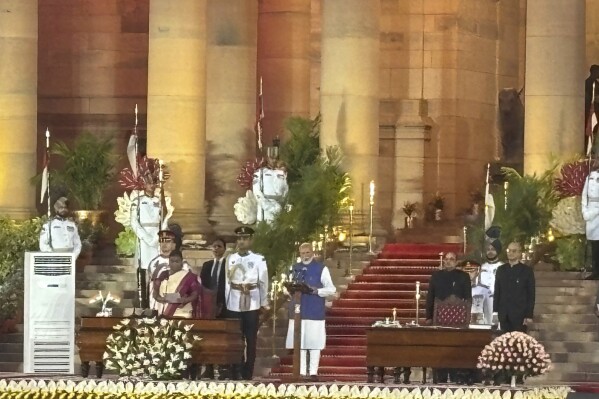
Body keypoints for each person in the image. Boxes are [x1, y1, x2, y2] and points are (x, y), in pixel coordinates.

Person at [285, 243, 336, 381]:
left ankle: (313, 372)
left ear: (312, 253)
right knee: (299, 342)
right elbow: (286, 287)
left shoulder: (321, 269)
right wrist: (288, 290)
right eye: (303, 253)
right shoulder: (294, 268)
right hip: (298, 310)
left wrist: (316, 290)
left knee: (314, 342)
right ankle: (300, 371)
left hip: (314, 310)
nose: (305, 255)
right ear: (299, 254)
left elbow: (331, 289)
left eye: (308, 252)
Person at [225, 226, 269, 380]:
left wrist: (264, 302)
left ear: (251, 240)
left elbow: (263, 282)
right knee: (235, 338)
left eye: (244, 238)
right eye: (239, 238)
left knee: (251, 338)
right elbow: (227, 282)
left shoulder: (258, 259)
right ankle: (235, 369)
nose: (241, 241)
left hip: (252, 301)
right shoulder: (231, 258)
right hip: (234, 301)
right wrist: (226, 301)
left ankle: (247, 371)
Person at [425, 252, 471, 383]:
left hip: (458, 323)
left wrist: (467, 318)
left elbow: (468, 299)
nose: (449, 261)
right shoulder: (436, 276)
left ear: (456, 262)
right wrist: (428, 317)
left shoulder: (463, 276)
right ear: (443, 261)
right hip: (439, 321)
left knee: (456, 351)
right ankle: (441, 377)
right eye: (447, 259)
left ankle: (457, 376)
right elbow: (430, 297)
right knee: (441, 350)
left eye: (452, 259)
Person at [130, 172, 169, 308]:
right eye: (148, 182)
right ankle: (143, 302)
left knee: (156, 270)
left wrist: (159, 236)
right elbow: (134, 222)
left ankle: (156, 301)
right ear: (144, 184)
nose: (151, 185)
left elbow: (163, 219)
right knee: (143, 269)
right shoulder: (138, 201)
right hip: (144, 239)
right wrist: (146, 238)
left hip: (156, 237)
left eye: (153, 183)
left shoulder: (159, 201)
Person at [199, 238, 228, 379]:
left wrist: (220, 302)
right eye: (214, 246)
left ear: (224, 249)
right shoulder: (207, 265)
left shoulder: (228, 265)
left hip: (225, 306)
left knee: (223, 337)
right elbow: (202, 286)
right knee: (208, 337)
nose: (216, 249)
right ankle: (208, 367)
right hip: (208, 307)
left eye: (219, 246)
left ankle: (223, 368)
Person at [492, 242, 535, 333]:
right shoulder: (501, 270)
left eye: (514, 251)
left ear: (519, 253)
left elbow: (531, 294)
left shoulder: (526, 271)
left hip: (520, 315)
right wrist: (495, 312)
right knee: (504, 343)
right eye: (508, 250)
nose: (510, 253)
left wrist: (529, 315)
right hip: (504, 314)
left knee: (518, 343)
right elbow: (497, 292)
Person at [154, 250, 201, 318]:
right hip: (164, 311)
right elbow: (155, 292)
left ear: (182, 262)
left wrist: (185, 300)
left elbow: (195, 294)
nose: (174, 264)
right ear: (168, 261)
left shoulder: (188, 276)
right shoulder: (163, 274)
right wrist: (161, 299)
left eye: (177, 261)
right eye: (172, 261)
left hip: (182, 312)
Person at [582, 170, 599, 280]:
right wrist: (585, 211)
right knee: (594, 245)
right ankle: (596, 271)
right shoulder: (590, 176)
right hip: (591, 212)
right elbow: (584, 196)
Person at [479, 240, 502, 311]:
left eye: (493, 249)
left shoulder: (503, 267)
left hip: (499, 303)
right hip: (483, 303)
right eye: (488, 250)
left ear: (497, 251)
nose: (490, 252)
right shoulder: (481, 267)